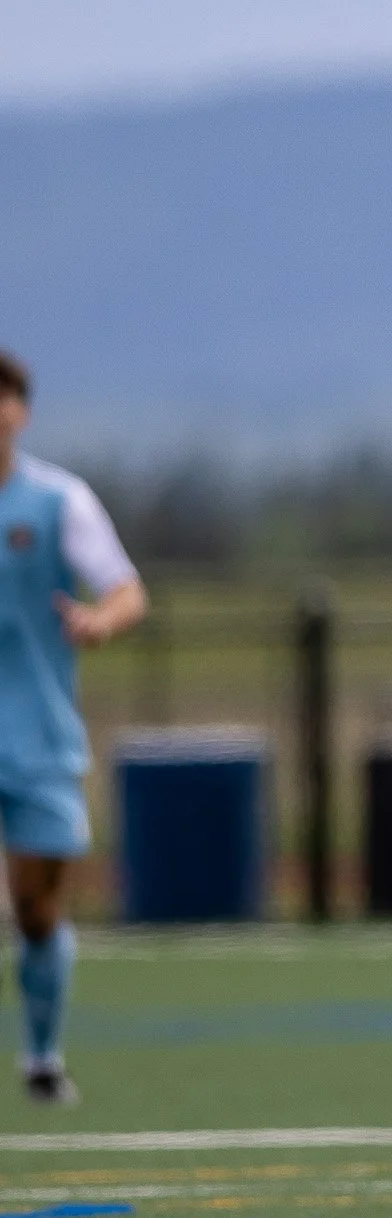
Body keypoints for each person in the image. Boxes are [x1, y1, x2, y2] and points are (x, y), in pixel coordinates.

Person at [0, 350, 149, 1104]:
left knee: (34, 906)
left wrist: (97, 621)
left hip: (35, 734)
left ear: (20, 410)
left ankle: (41, 1055)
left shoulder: (59, 501)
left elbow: (126, 589)